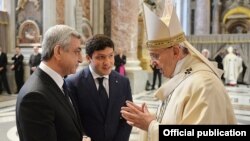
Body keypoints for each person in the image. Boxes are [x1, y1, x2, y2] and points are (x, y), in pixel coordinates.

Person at [121, 2, 236, 141]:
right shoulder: (184, 77)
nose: (152, 63)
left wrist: (150, 125)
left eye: (155, 56)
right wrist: (152, 118)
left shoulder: (205, 85)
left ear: (176, 51)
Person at [16, 25, 91, 141]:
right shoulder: (35, 97)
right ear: (58, 52)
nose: (81, 59)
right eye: (76, 52)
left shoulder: (59, 82)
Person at [65, 34, 132, 141]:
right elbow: (73, 121)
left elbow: (127, 118)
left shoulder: (123, 82)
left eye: (110, 56)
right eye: (101, 57)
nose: (107, 62)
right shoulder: (73, 83)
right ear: (88, 58)